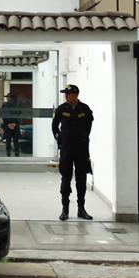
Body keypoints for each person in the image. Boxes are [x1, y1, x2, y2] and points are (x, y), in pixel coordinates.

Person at [52, 84, 94, 221]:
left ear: (75, 95)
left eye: (68, 94)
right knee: (66, 179)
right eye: (65, 94)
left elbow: (89, 124)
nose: (65, 96)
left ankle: (81, 209)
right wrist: (59, 138)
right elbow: (54, 125)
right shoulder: (62, 108)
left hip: (81, 149)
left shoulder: (84, 109)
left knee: (81, 180)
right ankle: (65, 210)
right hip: (67, 149)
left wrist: (83, 137)